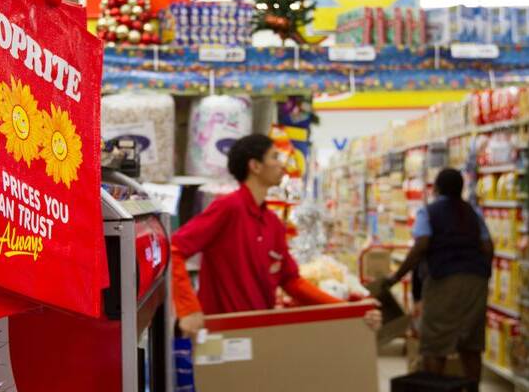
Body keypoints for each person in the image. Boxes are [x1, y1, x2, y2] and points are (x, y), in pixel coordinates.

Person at [171, 134, 382, 339]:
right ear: (255, 166)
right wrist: (188, 309)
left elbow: (291, 280)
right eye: (274, 157)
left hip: (261, 331)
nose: (282, 165)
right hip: (224, 334)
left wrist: (346, 309)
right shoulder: (228, 208)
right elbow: (174, 250)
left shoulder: (272, 223)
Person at [385, 168, 494, 386]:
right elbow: (488, 247)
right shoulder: (473, 213)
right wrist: (482, 272)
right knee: (471, 345)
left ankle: (434, 388)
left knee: (435, 344)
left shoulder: (428, 212)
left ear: (436, 188)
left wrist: (396, 276)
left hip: (443, 279)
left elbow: (421, 245)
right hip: (476, 281)